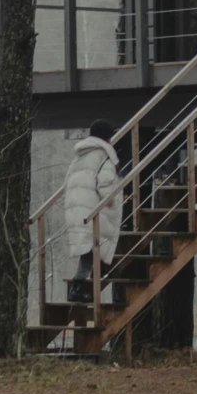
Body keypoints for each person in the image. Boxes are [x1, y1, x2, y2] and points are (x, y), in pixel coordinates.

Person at [63, 119, 121, 300]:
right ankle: (78, 288)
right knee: (93, 248)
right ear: (108, 137)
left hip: (77, 208)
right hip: (92, 209)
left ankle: (77, 288)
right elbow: (105, 187)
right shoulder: (104, 156)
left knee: (89, 249)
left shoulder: (80, 155)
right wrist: (116, 199)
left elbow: (67, 182)